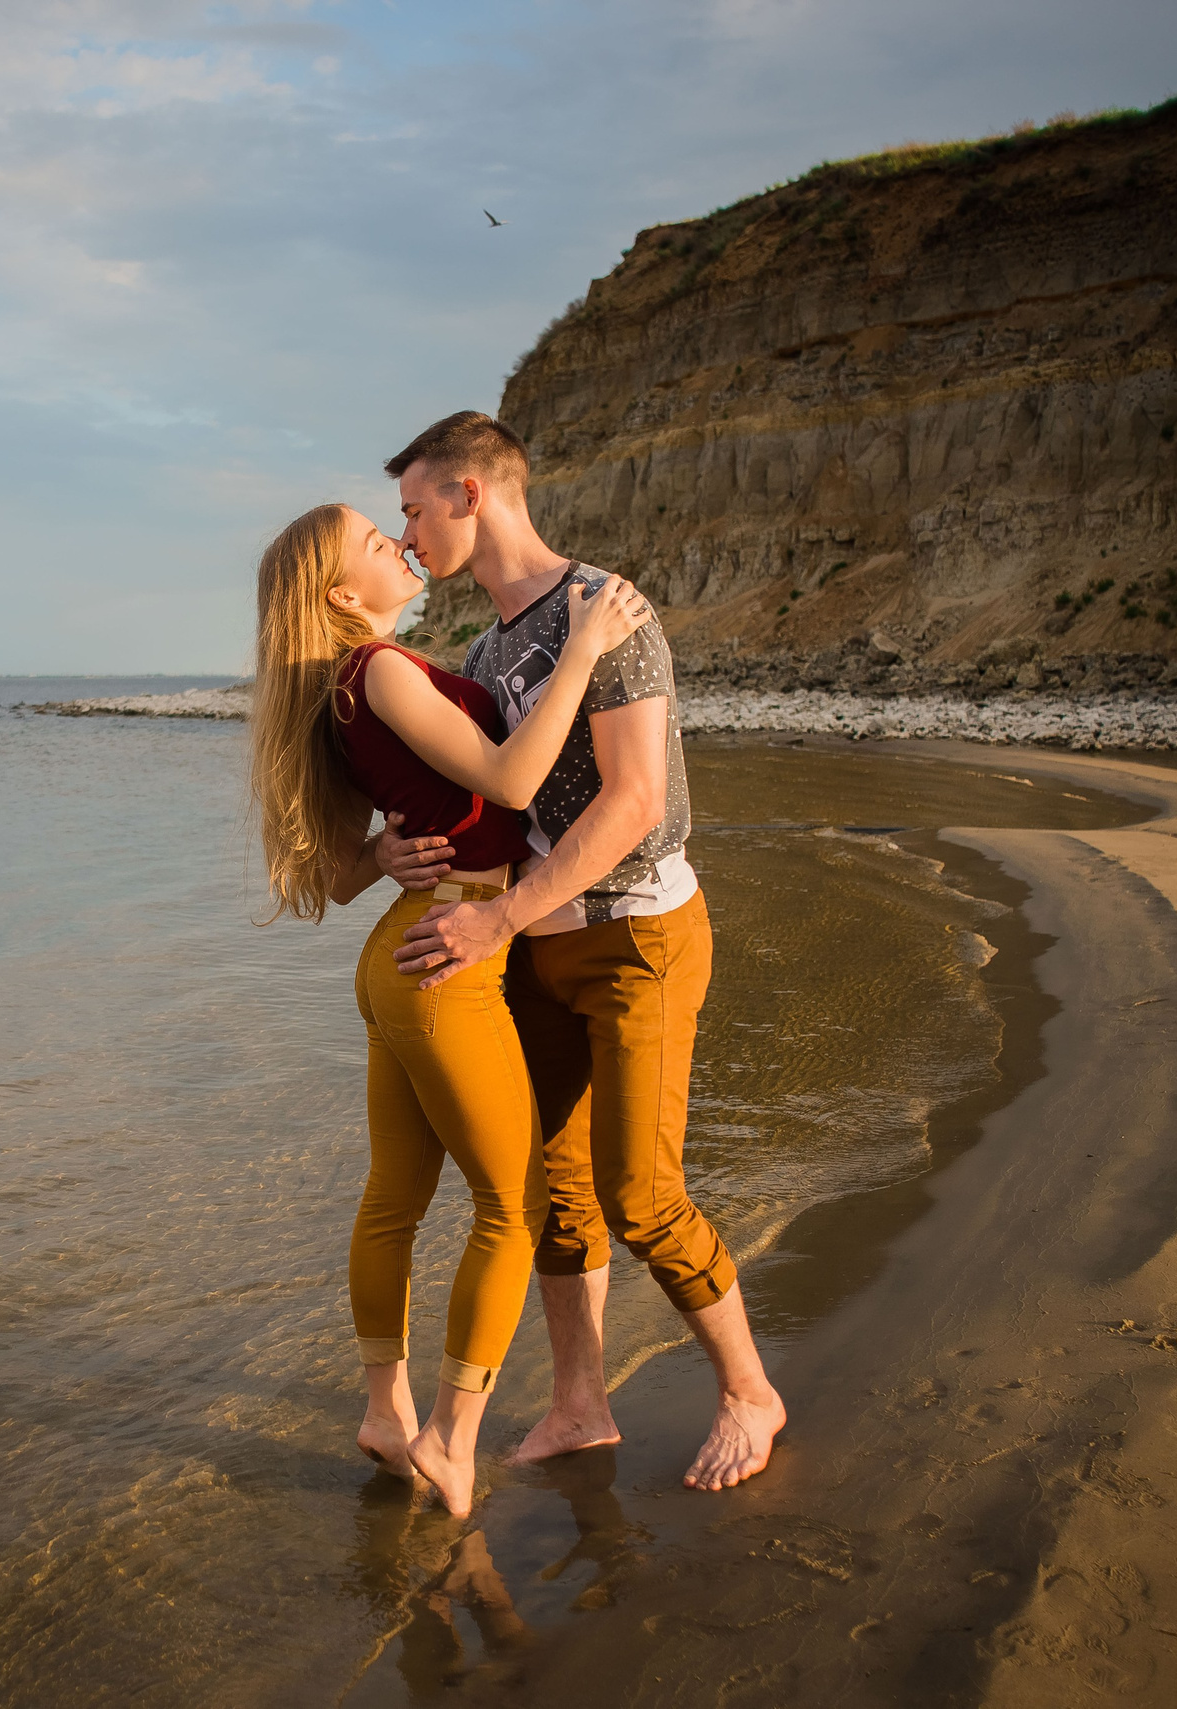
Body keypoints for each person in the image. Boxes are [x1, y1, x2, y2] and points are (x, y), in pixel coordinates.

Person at [371, 411, 787, 1492]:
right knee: (551, 1190)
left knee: (640, 1191)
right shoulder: (484, 651)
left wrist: (497, 920)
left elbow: (634, 799)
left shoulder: (605, 610)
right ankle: (579, 1404)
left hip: (637, 935)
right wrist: (390, 853)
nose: (406, 536)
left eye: (413, 509)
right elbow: (488, 805)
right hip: (531, 955)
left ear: (469, 492)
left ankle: (751, 1390)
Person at [248, 501, 655, 1515]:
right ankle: (449, 1437)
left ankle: (385, 1412)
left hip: (405, 952)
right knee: (514, 1207)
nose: (396, 542)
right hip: (446, 958)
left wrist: (382, 852)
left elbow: (340, 876)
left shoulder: (343, 688)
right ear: (342, 594)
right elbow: (512, 780)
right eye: (372, 541)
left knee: (394, 1199)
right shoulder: (379, 669)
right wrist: (585, 647)